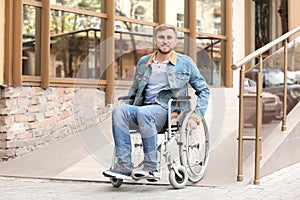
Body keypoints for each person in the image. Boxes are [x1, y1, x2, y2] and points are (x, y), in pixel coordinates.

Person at [103, 24, 210, 179]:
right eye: (161, 37)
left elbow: (204, 91)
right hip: (143, 110)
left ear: (175, 41)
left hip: (167, 112)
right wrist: (129, 110)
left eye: (169, 38)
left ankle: (151, 166)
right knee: (119, 111)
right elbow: (134, 91)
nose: (165, 41)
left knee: (144, 112)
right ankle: (124, 165)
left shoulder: (185, 63)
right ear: (155, 40)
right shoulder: (144, 62)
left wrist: (196, 116)